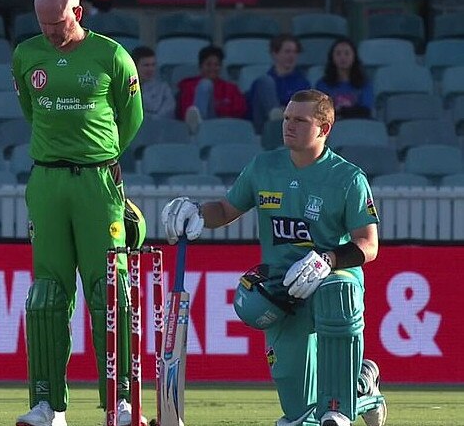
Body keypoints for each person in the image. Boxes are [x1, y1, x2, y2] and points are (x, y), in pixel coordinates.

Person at [160, 89, 387, 426]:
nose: (289, 126)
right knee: (298, 413)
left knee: (337, 293)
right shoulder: (264, 167)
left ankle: (340, 406)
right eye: (286, 118)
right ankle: (363, 387)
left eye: (300, 120)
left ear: (324, 128)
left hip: (329, 279)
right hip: (281, 289)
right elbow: (225, 209)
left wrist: (327, 261)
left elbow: (368, 245)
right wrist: (195, 211)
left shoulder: (348, 178)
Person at [11, 0, 144, 426]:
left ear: (79, 13)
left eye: (59, 22)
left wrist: (99, 158)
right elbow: (31, 111)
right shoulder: (26, 55)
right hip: (47, 181)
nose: (51, 32)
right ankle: (48, 404)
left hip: (97, 183)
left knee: (111, 292)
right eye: (44, 24)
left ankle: (122, 401)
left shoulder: (111, 56)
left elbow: (132, 119)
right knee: (47, 295)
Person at [247, 34, 310, 134]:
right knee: (264, 82)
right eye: (287, 52)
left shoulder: (303, 83)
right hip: (265, 128)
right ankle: (277, 117)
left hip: (294, 127)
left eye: (295, 52)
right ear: (274, 54)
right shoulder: (263, 83)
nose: (291, 56)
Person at [177, 45, 248, 134]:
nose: (213, 68)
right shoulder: (189, 86)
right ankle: (198, 127)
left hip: (224, 130)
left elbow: (239, 114)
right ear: (200, 66)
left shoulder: (231, 88)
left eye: (216, 65)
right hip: (195, 132)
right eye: (208, 64)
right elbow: (185, 112)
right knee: (205, 84)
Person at [316, 38, 374, 119]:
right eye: (338, 54)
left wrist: (341, 111)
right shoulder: (322, 84)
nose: (343, 57)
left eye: (347, 53)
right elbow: (321, 112)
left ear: (354, 56)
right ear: (332, 57)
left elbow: (365, 110)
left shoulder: (364, 84)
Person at [131, 45, 176, 121]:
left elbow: (167, 113)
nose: (150, 69)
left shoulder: (163, 89)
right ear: (134, 66)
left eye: (153, 65)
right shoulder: (124, 87)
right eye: (146, 65)